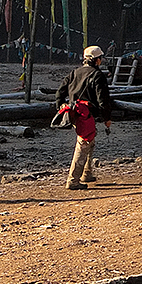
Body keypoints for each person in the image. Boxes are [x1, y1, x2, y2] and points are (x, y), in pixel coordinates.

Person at [57, 45, 113, 190]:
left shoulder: (75, 72)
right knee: (83, 144)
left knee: (90, 141)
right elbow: (103, 100)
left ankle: (86, 174)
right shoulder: (98, 76)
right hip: (85, 114)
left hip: (73, 112)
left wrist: (61, 105)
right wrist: (106, 118)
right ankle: (73, 181)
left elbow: (60, 92)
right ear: (97, 60)